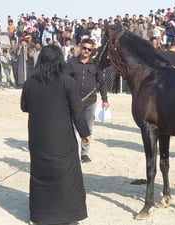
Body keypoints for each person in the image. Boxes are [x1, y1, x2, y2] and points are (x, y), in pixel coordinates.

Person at [20, 45, 91, 225]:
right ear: (59, 60)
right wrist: (85, 133)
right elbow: (77, 111)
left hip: (38, 138)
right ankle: (68, 215)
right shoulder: (67, 82)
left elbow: (24, 107)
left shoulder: (29, 83)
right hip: (62, 138)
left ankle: (40, 215)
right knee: (66, 175)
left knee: (40, 175)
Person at [67, 38, 109, 163]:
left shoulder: (96, 64)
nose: (86, 51)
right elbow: (64, 81)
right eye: (84, 48)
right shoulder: (71, 63)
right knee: (72, 128)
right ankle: (71, 153)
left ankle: (84, 153)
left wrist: (105, 99)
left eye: (89, 49)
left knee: (88, 128)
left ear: (92, 51)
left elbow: (102, 83)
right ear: (80, 47)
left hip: (90, 101)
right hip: (73, 101)